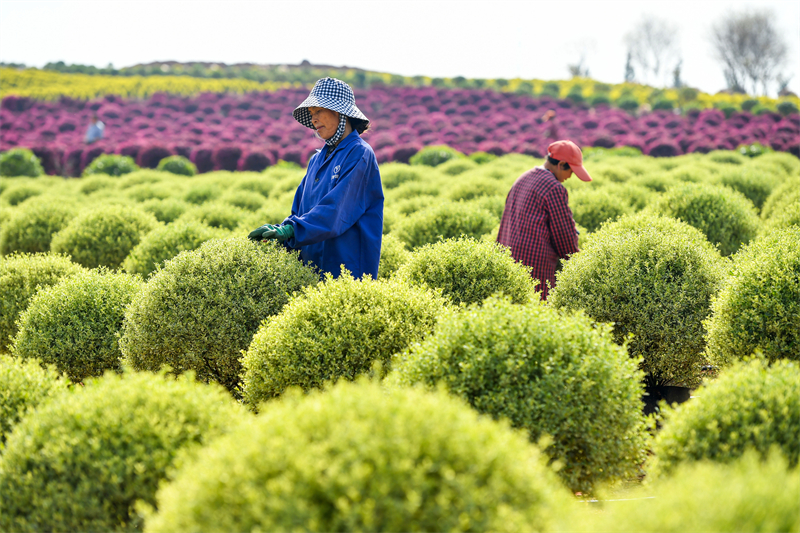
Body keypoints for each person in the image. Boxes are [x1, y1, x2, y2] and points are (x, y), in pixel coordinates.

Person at [248, 78, 383, 279]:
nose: (313, 120)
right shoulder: (317, 160)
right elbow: (299, 211)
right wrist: (281, 231)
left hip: (346, 272)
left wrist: (291, 230)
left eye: (318, 111)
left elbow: (336, 210)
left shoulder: (359, 153)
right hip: (311, 272)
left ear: (339, 112)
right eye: (311, 114)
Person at [496, 140, 592, 300]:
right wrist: (577, 264)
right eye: (571, 171)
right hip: (534, 265)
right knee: (537, 310)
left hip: (506, 259)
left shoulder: (523, 177)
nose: (570, 176)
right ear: (561, 164)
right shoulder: (553, 187)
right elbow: (564, 234)